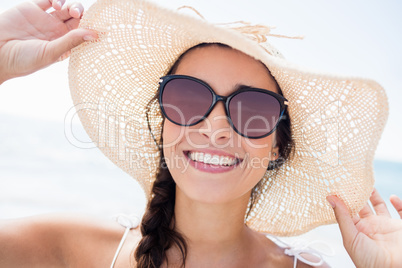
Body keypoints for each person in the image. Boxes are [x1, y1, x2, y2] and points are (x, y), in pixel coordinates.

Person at [1, 0, 402, 267]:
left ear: (278, 146)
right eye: (189, 98)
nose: (216, 128)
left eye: (253, 110)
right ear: (163, 125)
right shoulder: (71, 249)